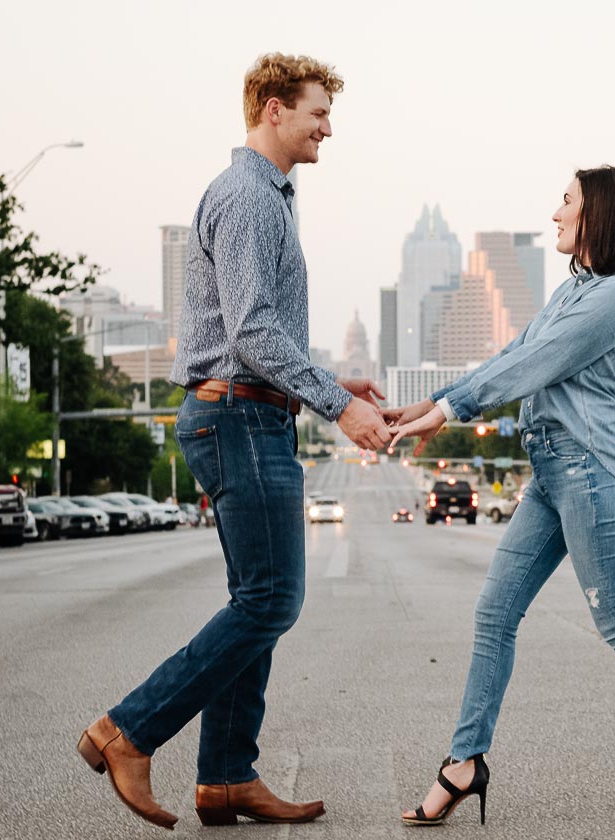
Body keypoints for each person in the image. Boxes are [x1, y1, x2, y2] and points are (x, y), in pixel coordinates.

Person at [76, 53, 391, 830]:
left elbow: (257, 331)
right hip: (239, 418)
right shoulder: (250, 197)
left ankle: (225, 777)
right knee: (271, 600)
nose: (328, 129)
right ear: (274, 109)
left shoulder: (267, 195)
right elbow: (251, 330)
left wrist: (320, 384)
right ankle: (129, 731)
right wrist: (332, 405)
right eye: (319, 113)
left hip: (253, 410)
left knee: (255, 600)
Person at [385, 166, 615, 827]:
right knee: (494, 614)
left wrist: (449, 411)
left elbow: (530, 369)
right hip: (551, 474)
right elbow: (512, 351)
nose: (555, 213)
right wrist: (429, 404)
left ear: (597, 215)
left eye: (566, 201)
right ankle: (465, 763)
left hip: (591, 474)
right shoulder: (573, 291)